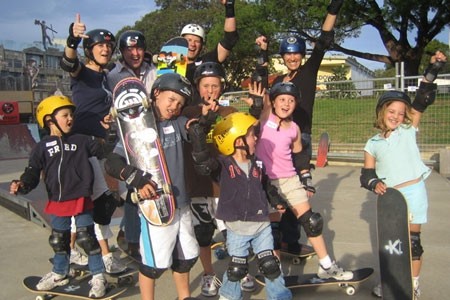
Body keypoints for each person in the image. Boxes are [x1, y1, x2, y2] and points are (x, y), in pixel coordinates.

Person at [104, 73, 200, 300]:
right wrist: (136, 179)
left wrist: (199, 127)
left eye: (180, 103)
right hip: (155, 206)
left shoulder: (177, 124)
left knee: (184, 258)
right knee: (153, 265)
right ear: (155, 93)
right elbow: (112, 162)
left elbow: (194, 127)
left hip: (182, 203)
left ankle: (184, 296)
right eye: (171, 99)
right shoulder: (134, 129)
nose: (174, 106)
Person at [9, 95, 116, 298]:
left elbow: (104, 150)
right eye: (65, 115)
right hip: (57, 200)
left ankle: (98, 276)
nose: (70, 119)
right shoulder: (41, 147)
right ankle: (59, 273)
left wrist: (109, 132)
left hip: (81, 198)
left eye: (71, 115)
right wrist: (22, 184)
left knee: (87, 239)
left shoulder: (81, 141)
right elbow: (32, 171)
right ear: (49, 120)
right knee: (59, 240)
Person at [360, 51, 447, 299]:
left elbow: (421, 99)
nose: (397, 116)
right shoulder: (373, 142)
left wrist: (433, 69)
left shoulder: (408, 130)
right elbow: (366, 174)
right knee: (391, 244)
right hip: (391, 197)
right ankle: (389, 283)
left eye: (401, 112)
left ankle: (413, 283)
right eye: (392, 111)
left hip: (414, 191)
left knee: (412, 243)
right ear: (382, 110)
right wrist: (374, 182)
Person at [262, 0, 344, 257]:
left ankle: (291, 241)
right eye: (287, 54)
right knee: (276, 192)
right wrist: (261, 53)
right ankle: (278, 242)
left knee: (297, 192)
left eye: (296, 53)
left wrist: (334, 8)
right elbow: (263, 91)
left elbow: (323, 41)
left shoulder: (308, 72)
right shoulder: (279, 80)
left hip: (300, 137)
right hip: (275, 139)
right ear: (283, 57)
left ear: (302, 55)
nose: (292, 57)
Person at [255, 81, 353, 281]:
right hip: (266, 182)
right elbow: (260, 103)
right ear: (273, 102)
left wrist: (306, 178)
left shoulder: (294, 129)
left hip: (290, 179)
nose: (286, 103)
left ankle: (326, 266)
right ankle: (276, 272)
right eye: (281, 99)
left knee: (312, 222)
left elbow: (299, 156)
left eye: (291, 100)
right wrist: (262, 55)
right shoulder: (265, 118)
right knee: (273, 230)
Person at [189, 111, 292, 300]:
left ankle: (280, 296)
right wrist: (198, 134)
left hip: (262, 225)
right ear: (237, 141)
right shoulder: (223, 165)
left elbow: (266, 185)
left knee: (270, 264)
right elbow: (203, 163)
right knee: (237, 268)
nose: (256, 138)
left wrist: (276, 200)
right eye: (252, 135)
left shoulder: (257, 163)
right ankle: (228, 296)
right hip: (237, 227)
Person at [181, 62, 256, 296]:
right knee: (203, 233)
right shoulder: (188, 112)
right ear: (197, 87)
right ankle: (208, 274)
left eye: (215, 85)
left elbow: (245, 142)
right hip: (198, 185)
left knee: (233, 232)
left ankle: (241, 269)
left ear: (221, 88)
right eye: (206, 86)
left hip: (225, 184)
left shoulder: (230, 113)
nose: (210, 91)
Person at [59, 13, 126, 274]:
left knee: (91, 202)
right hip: (81, 144)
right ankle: (103, 255)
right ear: (89, 50)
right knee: (97, 202)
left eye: (109, 46)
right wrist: (72, 38)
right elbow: (68, 63)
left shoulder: (105, 76)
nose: (106, 49)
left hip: (97, 145)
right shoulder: (83, 73)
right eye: (100, 45)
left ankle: (71, 251)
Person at [107, 30, 158, 262]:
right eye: (129, 50)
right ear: (122, 52)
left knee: (153, 183)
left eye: (138, 49)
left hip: (150, 136)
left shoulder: (154, 72)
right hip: (124, 137)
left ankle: (154, 233)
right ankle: (132, 241)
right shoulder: (112, 75)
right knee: (130, 190)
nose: (134, 53)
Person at [181, 0, 239, 103]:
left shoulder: (207, 61)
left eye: (197, 41)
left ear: (202, 45)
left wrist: (229, 7)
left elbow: (230, 39)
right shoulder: (170, 65)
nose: (192, 44)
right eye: (189, 40)